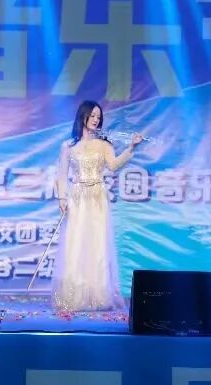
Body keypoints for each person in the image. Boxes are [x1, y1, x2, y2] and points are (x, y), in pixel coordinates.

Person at [51, 100, 142, 312]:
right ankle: (74, 296)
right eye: (92, 115)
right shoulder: (68, 146)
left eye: (98, 117)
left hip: (98, 197)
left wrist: (131, 147)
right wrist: (62, 199)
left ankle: (98, 295)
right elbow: (62, 175)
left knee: (98, 243)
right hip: (78, 197)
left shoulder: (104, 144)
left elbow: (113, 166)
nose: (95, 119)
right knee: (75, 243)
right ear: (82, 115)